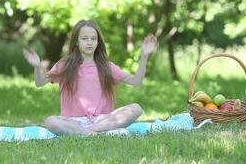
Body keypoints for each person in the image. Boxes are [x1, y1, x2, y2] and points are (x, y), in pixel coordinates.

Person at [22, 20, 158, 136]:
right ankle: (94, 134)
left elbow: (136, 81)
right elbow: (39, 83)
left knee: (136, 108)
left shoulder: (107, 67)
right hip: (73, 122)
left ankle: (88, 133)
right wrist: (37, 66)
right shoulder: (64, 65)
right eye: (85, 38)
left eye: (93, 39)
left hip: (102, 121)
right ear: (76, 41)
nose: (89, 42)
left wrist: (144, 56)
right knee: (50, 121)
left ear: (98, 42)